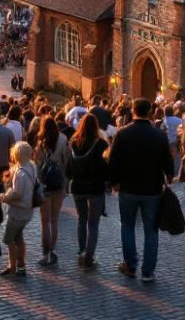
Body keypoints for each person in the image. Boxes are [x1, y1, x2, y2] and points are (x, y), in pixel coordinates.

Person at [106, 98, 175, 282]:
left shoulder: (123, 134)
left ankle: (130, 265)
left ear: (133, 111)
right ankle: (148, 271)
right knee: (151, 230)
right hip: (152, 189)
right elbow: (167, 161)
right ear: (150, 112)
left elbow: (113, 160)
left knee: (127, 226)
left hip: (128, 188)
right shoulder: (159, 135)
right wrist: (169, 175)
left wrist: (114, 181)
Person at [64, 113, 109, 270]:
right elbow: (105, 167)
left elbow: (68, 167)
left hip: (77, 186)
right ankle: (89, 257)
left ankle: (81, 251)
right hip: (95, 187)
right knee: (93, 224)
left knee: (81, 220)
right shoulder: (101, 144)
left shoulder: (74, 143)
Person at [31, 116, 70, 267]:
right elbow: (66, 160)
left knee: (44, 222)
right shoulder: (63, 139)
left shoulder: (40, 141)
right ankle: (52, 251)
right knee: (54, 220)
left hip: (44, 184)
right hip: (59, 182)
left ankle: (45, 253)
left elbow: (37, 162)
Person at [0, 141, 37, 277]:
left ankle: (12, 266)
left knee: (8, 239)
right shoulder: (32, 167)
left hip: (17, 211)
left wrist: (4, 196)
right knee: (18, 238)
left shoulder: (20, 173)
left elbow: (17, 193)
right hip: (27, 210)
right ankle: (21, 266)